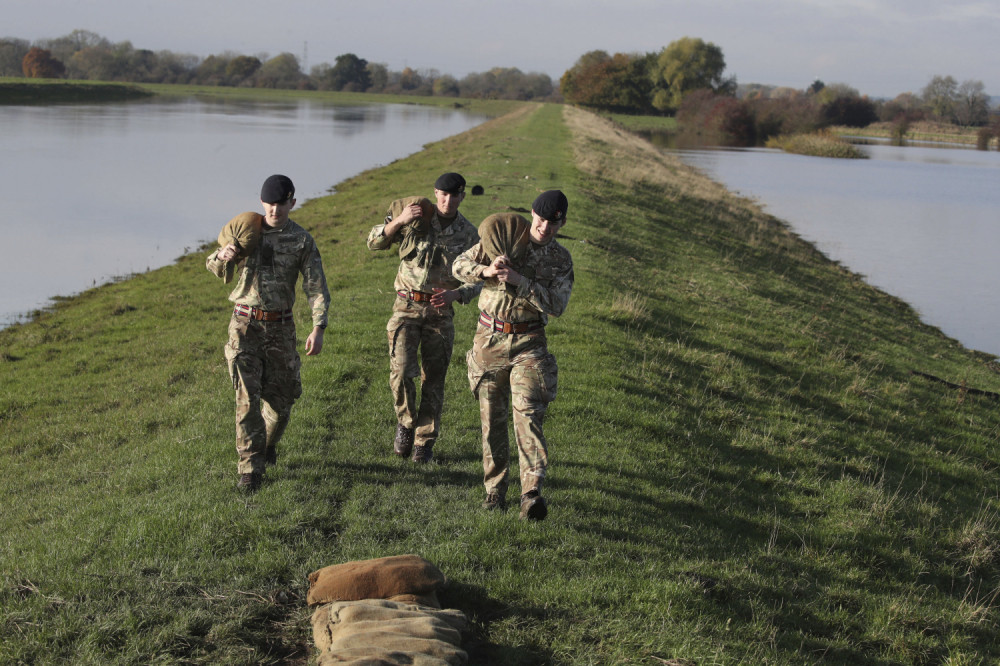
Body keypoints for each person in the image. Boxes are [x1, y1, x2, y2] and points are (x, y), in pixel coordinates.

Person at [452, 190, 574, 520]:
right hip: (489, 339)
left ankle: (531, 493)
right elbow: (458, 265)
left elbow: (558, 305)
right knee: (492, 420)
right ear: (532, 213)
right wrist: (487, 271)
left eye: (553, 223)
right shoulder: (503, 238)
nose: (545, 227)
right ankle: (494, 491)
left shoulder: (560, 260)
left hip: (530, 344)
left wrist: (521, 281)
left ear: (561, 223)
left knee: (528, 415)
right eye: (541, 219)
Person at [206, 174, 330, 492]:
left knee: (283, 400)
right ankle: (250, 469)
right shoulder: (247, 230)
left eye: (281, 204)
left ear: (292, 203)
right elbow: (214, 263)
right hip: (245, 325)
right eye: (269, 204)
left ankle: (267, 445)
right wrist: (222, 257)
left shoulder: (302, 240)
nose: (274, 210)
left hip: (281, 327)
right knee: (247, 399)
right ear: (262, 203)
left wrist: (318, 326)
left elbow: (315, 286)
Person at [366, 173, 482, 463]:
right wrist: (399, 221)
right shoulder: (416, 217)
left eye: (454, 196)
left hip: (441, 313)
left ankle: (424, 442)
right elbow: (374, 243)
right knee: (402, 371)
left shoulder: (469, 234)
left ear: (462, 197)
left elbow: (481, 277)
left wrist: (458, 295)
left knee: (434, 380)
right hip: (406, 306)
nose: (448, 201)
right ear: (435, 193)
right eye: (442, 195)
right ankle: (405, 422)